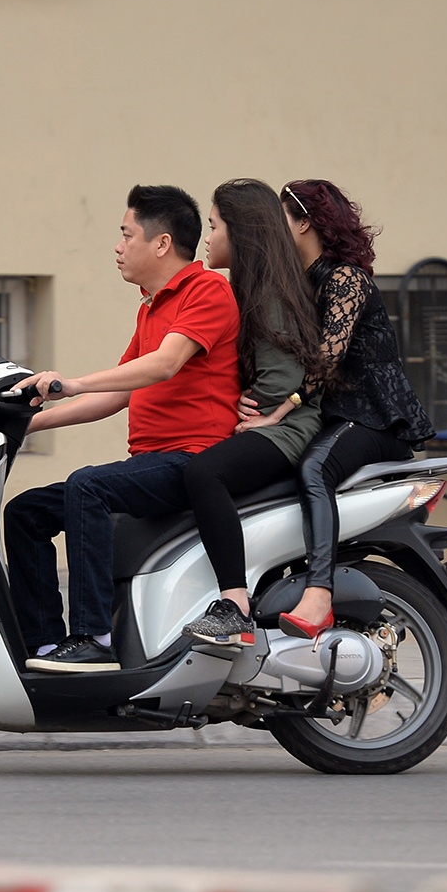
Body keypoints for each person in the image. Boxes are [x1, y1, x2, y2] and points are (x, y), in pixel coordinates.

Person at [4, 184, 240, 673]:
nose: (117, 245)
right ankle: (45, 647)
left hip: (190, 460)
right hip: (150, 462)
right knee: (25, 512)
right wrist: (25, 424)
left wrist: (69, 383)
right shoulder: (151, 305)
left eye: (126, 234)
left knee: (87, 486)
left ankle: (94, 638)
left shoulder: (207, 291)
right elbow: (116, 396)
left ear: (161, 243)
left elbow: (164, 365)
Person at [252, 179, 435, 640]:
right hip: (340, 416)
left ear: (304, 223)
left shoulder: (344, 278)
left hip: (374, 415)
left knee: (315, 469)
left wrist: (281, 409)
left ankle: (320, 593)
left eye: (281, 219)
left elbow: (330, 354)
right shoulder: (303, 282)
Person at [177, 180, 328, 647]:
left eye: (213, 225)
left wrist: (258, 408)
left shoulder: (269, 296)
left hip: (290, 428)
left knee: (205, 473)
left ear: (240, 234)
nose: (207, 237)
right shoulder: (246, 289)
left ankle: (234, 604)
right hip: (274, 420)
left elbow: (284, 379)